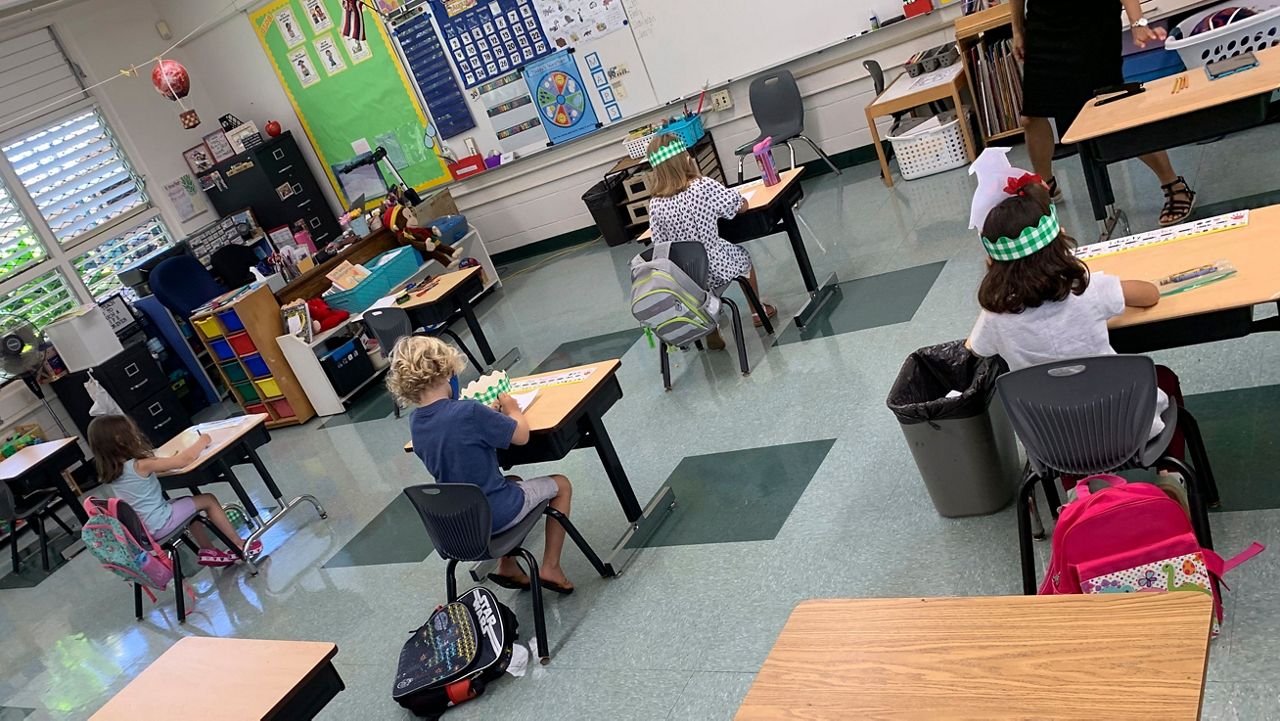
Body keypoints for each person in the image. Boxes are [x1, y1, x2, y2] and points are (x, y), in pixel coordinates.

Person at [965, 162, 1189, 510]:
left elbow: (974, 349)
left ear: (994, 263)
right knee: (1166, 379)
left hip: (1052, 443)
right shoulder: (1087, 287)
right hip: (1126, 426)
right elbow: (1149, 295)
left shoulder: (995, 314)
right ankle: (1170, 477)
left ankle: (1079, 493)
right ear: (1059, 241)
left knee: (1059, 410)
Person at [388, 336, 576, 594]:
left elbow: (455, 438)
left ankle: (507, 565)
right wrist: (512, 409)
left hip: (461, 525)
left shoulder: (417, 423)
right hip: (496, 514)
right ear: (447, 371)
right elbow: (521, 436)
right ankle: (550, 567)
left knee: (513, 481)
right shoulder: (469, 412)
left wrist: (486, 415)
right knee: (562, 484)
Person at [1012, 0, 1196, 226]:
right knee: (1031, 116)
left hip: (1094, 22)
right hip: (1043, 25)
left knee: (1113, 109)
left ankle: (1173, 184)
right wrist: (1017, 29)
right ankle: (1044, 185)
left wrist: (1138, 21)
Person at [644, 133, 776, 349]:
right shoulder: (702, 185)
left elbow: (660, 245)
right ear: (686, 159)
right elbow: (736, 207)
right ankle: (756, 311)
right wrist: (742, 201)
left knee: (702, 291)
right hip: (716, 263)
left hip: (686, 278)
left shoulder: (656, 204)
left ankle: (711, 329)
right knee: (744, 261)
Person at [87, 415, 260, 566]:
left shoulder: (112, 472)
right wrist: (203, 440)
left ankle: (209, 551)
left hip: (143, 531)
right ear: (120, 439)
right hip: (159, 523)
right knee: (208, 499)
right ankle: (238, 544)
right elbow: (185, 459)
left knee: (188, 504)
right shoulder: (140, 465)